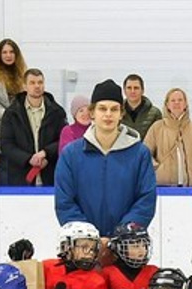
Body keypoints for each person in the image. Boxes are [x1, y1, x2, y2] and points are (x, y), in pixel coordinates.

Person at [54, 78, 158, 237]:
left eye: (114, 109)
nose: (108, 114)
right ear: (92, 113)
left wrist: (121, 235)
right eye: (102, 109)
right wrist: (88, 237)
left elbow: (146, 200)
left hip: (126, 247)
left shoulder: (140, 154)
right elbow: (64, 202)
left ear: (121, 113)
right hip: (83, 249)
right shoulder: (71, 155)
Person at [0, 68, 67, 187]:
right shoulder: (11, 113)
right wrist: (28, 159)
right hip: (20, 179)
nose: (37, 86)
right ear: (24, 86)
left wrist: (46, 153)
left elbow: (63, 140)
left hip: (50, 177)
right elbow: (6, 145)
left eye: (40, 82)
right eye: (32, 83)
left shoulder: (57, 112)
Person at [144, 87, 192, 185]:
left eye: (180, 100)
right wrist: (157, 169)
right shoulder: (157, 127)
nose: (176, 103)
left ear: (185, 104)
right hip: (163, 186)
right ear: (167, 105)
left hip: (191, 187)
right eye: (173, 100)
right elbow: (145, 153)